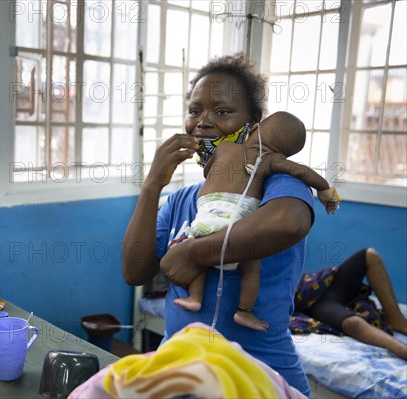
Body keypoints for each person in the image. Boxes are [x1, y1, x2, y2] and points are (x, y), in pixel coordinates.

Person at [122, 53, 314, 396]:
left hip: (259, 373)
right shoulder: (182, 199)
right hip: (179, 369)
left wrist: (195, 254)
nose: (203, 123)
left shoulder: (275, 181)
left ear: (254, 124)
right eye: (194, 111)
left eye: (222, 111)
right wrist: (152, 186)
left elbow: (289, 223)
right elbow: (134, 272)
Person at [174, 111, 341, 334]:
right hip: (234, 217)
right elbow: (301, 171)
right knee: (251, 267)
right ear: (285, 152)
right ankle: (243, 311)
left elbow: (208, 169)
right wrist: (326, 191)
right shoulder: (272, 160)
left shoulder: (225, 148)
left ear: (252, 130)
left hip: (205, 212)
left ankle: (195, 297)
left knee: (199, 254)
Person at [291, 247, 407, 360]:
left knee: (369, 255)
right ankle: (402, 350)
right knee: (352, 323)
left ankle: (396, 319)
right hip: (313, 304)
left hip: (320, 284)